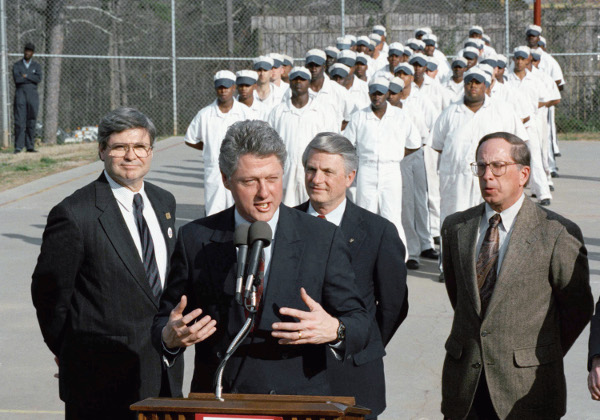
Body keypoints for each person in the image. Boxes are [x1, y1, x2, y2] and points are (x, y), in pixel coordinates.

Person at [152, 120, 369, 396]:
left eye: (272, 179)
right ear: (226, 179)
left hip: (297, 403)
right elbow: (164, 320)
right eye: (250, 181)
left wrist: (336, 330)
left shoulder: (322, 238)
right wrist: (169, 338)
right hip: (219, 400)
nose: (264, 193)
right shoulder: (195, 238)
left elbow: (361, 323)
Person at [31, 108, 184, 420]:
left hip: (164, 372)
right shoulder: (75, 213)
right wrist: (70, 353)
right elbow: (49, 296)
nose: (131, 156)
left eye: (140, 146)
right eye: (119, 147)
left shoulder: (164, 202)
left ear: (151, 151)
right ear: (101, 150)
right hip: (100, 382)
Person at [441, 132, 592, 419]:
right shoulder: (456, 228)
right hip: (465, 388)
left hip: (526, 390)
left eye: (498, 166)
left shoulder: (557, 233)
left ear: (523, 174)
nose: (488, 176)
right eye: (481, 166)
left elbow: (578, 308)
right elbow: (460, 296)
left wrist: (535, 353)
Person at [295, 133, 408, 419]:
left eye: (328, 171)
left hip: (353, 375)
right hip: (292, 376)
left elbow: (394, 305)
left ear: (350, 177)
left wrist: (359, 343)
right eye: (311, 169)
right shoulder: (284, 224)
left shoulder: (378, 232)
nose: (316, 179)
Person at [343, 76, 420, 247]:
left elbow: (415, 143)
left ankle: (399, 256)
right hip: (366, 168)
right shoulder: (359, 117)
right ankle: (363, 253)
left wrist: (397, 155)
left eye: (380, 93)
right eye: (373, 93)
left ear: (387, 93)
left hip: (391, 170)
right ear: (369, 93)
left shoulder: (399, 116)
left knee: (392, 214)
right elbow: (346, 144)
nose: (377, 97)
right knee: (364, 213)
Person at [184, 70, 250, 216]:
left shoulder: (246, 113)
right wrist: (208, 147)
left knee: (240, 206)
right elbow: (190, 139)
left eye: (226, 87)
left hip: (240, 167)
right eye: (220, 87)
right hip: (214, 169)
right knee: (214, 209)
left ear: (233, 87)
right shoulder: (205, 114)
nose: (223, 91)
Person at [267, 66, 330, 206]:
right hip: (286, 170)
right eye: (295, 79)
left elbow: (330, 145)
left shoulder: (321, 111)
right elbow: (269, 143)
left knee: (313, 208)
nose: (298, 83)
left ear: (309, 82)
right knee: (286, 208)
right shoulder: (278, 112)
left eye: (302, 79)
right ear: (289, 82)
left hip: (313, 170)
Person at [13, 42, 42, 153]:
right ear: (24, 51)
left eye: (30, 51)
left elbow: (38, 79)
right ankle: (18, 146)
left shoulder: (36, 66)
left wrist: (26, 75)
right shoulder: (17, 65)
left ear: (33, 53)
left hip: (32, 95)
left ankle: (30, 146)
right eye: (26, 50)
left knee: (31, 120)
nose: (27, 53)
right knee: (20, 121)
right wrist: (31, 77)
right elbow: (17, 79)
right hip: (20, 95)